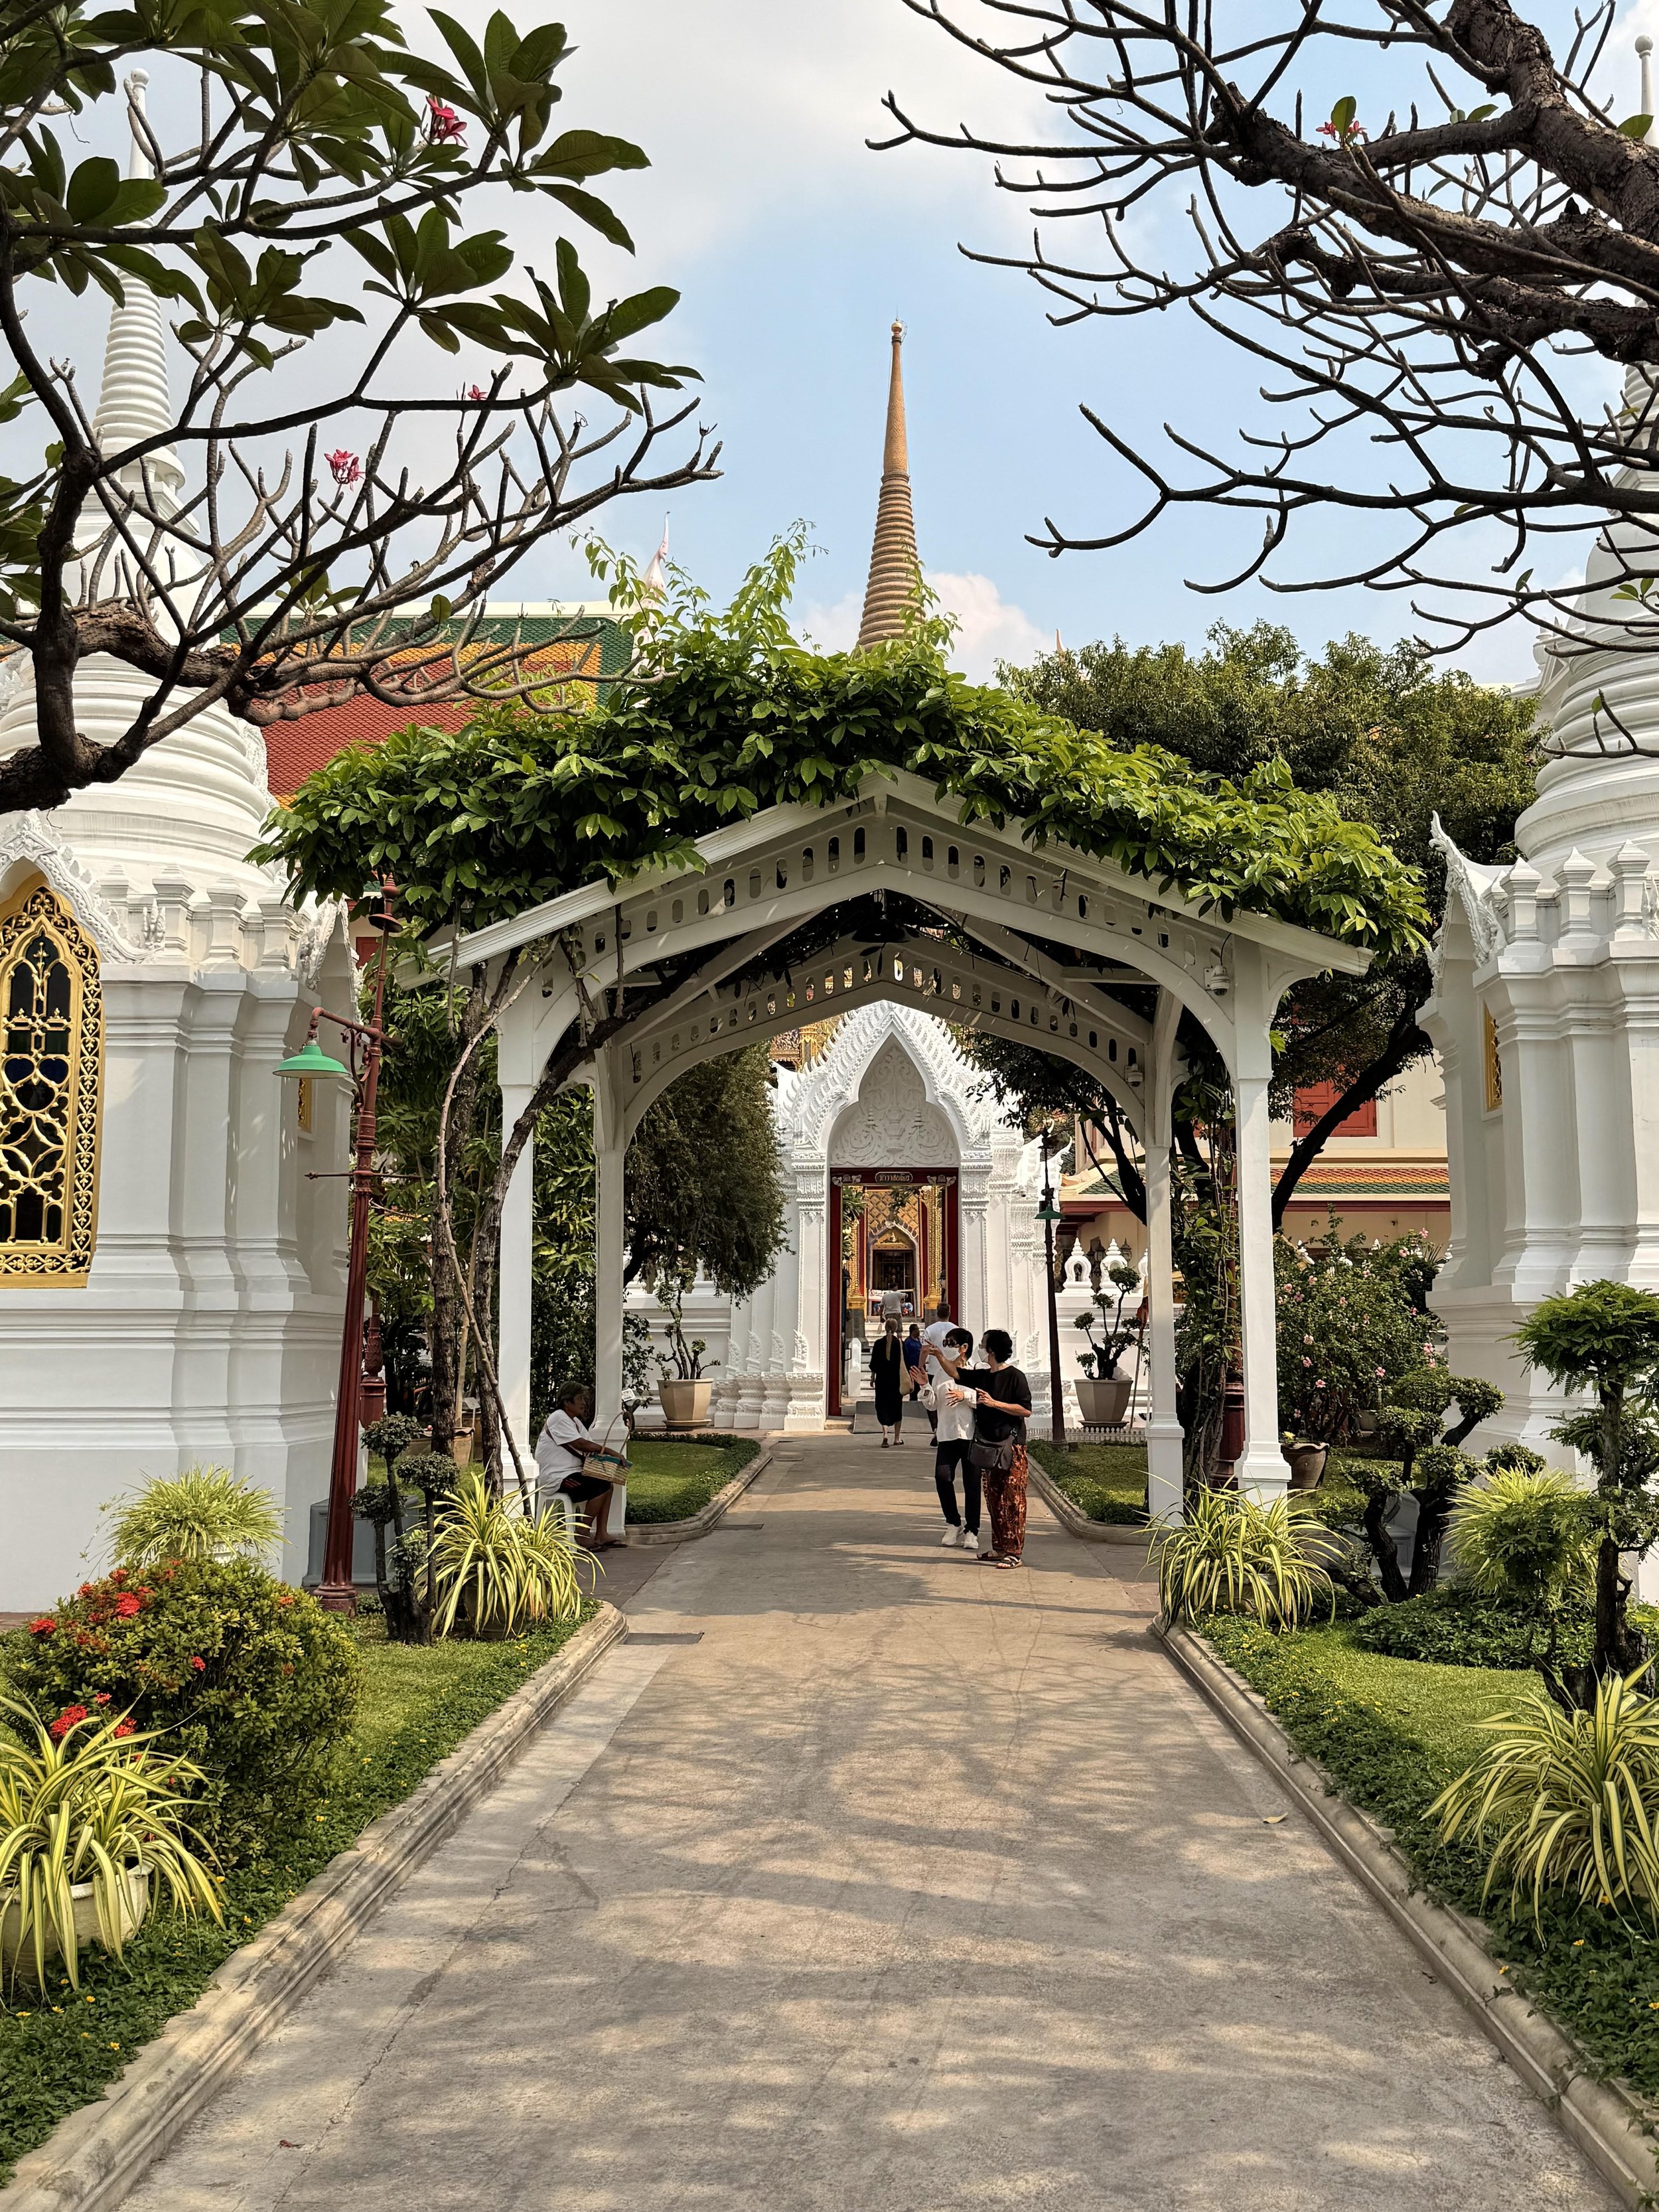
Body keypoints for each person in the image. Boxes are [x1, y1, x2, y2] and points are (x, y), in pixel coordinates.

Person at [949, 1328, 1033, 1570]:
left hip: (1012, 1447)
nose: (981, 1347)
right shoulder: (985, 1376)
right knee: (994, 1498)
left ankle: (1014, 1552)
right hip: (989, 1447)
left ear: (992, 1349)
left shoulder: (1016, 1377)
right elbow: (956, 1373)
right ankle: (999, 1547)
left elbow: (1025, 1410)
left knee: (1013, 1500)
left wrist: (993, 1403)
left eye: (984, 1344)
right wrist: (936, 1355)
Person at [534, 1382, 629, 1550]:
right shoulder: (558, 1417)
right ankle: (582, 1533)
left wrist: (602, 1455)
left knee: (607, 1484)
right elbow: (580, 1444)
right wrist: (609, 1451)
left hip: (573, 1473)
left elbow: (589, 1445)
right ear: (567, 1402)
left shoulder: (575, 1422)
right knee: (600, 1486)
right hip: (558, 1477)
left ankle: (601, 1534)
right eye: (580, 1399)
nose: (584, 1403)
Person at [929, 1325, 981, 1552]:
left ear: (963, 1348)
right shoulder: (941, 1373)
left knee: (972, 1484)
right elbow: (932, 1404)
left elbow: (984, 1399)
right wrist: (923, 1385)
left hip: (970, 1435)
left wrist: (965, 1395)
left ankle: (972, 1530)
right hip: (947, 1434)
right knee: (942, 1478)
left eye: (950, 1343)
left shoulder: (978, 1371)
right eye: (945, 1343)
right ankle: (953, 1522)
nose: (946, 1347)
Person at [918, 1296, 956, 1439]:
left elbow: (924, 1350)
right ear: (949, 1313)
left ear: (937, 1314)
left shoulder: (930, 1329)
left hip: (934, 1370)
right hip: (951, 1370)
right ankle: (945, 1429)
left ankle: (936, 1427)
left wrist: (920, 1366)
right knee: (948, 1399)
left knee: (932, 1400)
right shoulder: (956, 1329)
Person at [869, 1316, 908, 1447]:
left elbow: (874, 1363)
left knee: (883, 1406)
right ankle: (897, 1438)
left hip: (882, 1380)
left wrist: (873, 1378)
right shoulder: (900, 1344)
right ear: (896, 1328)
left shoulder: (878, 1343)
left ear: (885, 1328)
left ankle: (885, 1435)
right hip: (896, 1381)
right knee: (897, 1407)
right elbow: (905, 1363)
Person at [902, 1321, 924, 1403]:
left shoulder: (918, 1340)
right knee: (914, 1386)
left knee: (919, 1386)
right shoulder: (908, 1342)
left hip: (919, 1366)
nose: (918, 1332)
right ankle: (913, 1400)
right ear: (913, 1331)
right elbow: (906, 1356)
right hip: (912, 1366)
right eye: (917, 1330)